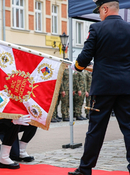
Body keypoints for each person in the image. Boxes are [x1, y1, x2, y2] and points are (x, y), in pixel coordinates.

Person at [68, 0, 130, 174]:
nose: (100, 15)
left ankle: (85, 168)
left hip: (103, 88)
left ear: (105, 8)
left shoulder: (97, 29)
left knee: (96, 130)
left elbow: (86, 55)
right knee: (129, 128)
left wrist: (77, 66)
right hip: (126, 87)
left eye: (100, 11)